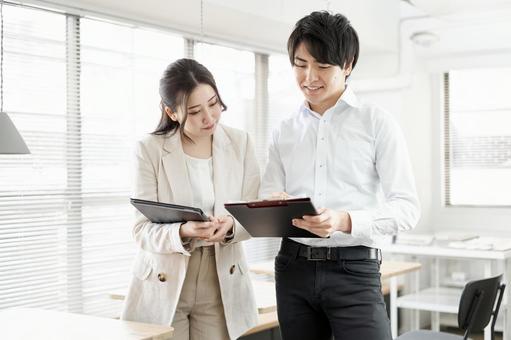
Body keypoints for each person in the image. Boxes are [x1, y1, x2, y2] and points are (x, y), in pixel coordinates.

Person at [260, 11, 421, 340]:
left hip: (354, 269)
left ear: (347, 64)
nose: (309, 76)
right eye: (300, 64)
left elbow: (407, 208)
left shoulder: (377, 122)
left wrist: (344, 219)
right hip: (293, 268)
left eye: (321, 65)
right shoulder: (284, 130)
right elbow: (269, 195)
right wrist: (275, 205)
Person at [121, 58, 259, 340]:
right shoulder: (149, 150)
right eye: (195, 111)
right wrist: (182, 232)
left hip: (220, 277)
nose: (209, 117)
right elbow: (141, 230)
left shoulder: (240, 143)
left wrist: (230, 227)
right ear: (171, 112)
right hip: (165, 280)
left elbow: (255, 212)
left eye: (214, 103)